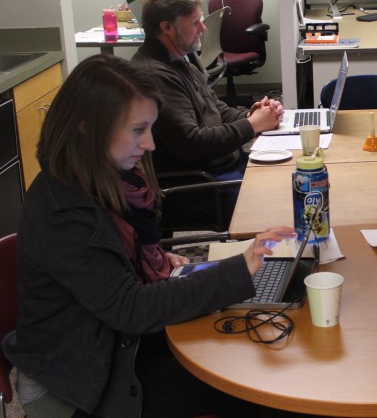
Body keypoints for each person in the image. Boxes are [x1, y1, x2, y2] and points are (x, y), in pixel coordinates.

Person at [2, 54, 296, 418]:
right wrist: (242, 267)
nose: (151, 145)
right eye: (137, 130)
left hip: (115, 347)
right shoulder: (62, 210)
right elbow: (131, 309)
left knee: (251, 353)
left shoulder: (107, 180)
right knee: (255, 388)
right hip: (76, 383)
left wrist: (145, 262)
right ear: (85, 126)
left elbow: (112, 274)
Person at [131, 0, 283, 225]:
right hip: (199, 184)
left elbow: (216, 109)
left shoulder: (180, 61)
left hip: (219, 169)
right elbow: (193, 142)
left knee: (286, 177)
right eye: (194, 23)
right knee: (280, 199)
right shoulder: (155, 76)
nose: (203, 29)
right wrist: (251, 126)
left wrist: (251, 115)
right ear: (166, 28)